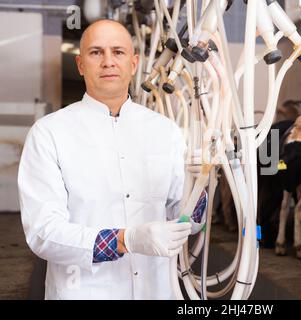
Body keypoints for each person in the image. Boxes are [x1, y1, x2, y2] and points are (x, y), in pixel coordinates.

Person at [18, 19, 199, 299]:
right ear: (80, 64)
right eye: (95, 52)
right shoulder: (49, 133)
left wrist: (202, 188)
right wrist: (125, 240)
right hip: (84, 291)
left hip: (157, 290)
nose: (107, 62)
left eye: (118, 52)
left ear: (134, 63)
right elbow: (44, 232)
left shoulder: (166, 131)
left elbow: (184, 216)